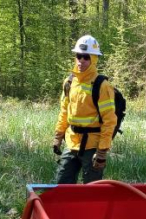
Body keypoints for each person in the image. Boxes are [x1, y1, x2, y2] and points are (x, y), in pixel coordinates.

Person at [52, 35, 117, 184]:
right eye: (78, 56)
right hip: (71, 142)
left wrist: (102, 151)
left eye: (86, 57)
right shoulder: (69, 82)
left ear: (93, 59)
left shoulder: (102, 86)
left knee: (92, 189)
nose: (81, 60)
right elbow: (64, 111)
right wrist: (58, 136)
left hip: (92, 146)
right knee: (61, 184)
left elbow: (109, 120)